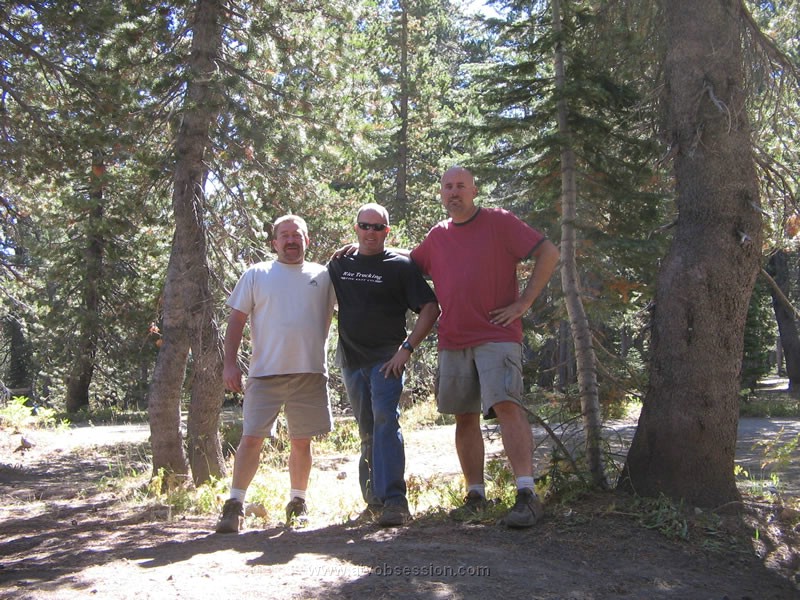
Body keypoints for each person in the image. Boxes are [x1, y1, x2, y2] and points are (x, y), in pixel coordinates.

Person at [410, 166, 559, 528]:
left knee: (507, 406)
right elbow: (407, 264)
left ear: (474, 191)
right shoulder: (437, 236)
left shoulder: (499, 222)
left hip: (497, 335)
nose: (454, 192)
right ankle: (475, 494)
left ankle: (526, 494)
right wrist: (365, 247)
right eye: (448, 187)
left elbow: (549, 253)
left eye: (461, 186)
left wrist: (524, 303)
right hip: (453, 338)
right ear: (441, 194)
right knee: (464, 415)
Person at [215, 214, 336, 534]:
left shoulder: (324, 276)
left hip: (309, 372)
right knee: (251, 438)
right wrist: (229, 364)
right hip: (264, 373)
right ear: (275, 242)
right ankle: (235, 504)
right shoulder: (257, 274)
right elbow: (236, 321)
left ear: (307, 240)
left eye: (297, 235)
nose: (291, 240)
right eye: (285, 235)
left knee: (301, 441)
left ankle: (298, 502)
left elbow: (355, 305)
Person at [328, 203, 439, 527]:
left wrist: (407, 348)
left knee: (385, 422)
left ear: (387, 231)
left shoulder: (400, 266)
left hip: (386, 361)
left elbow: (431, 307)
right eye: (365, 226)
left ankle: (395, 502)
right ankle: (374, 503)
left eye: (378, 227)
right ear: (356, 228)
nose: (371, 232)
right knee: (367, 430)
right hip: (351, 360)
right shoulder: (340, 263)